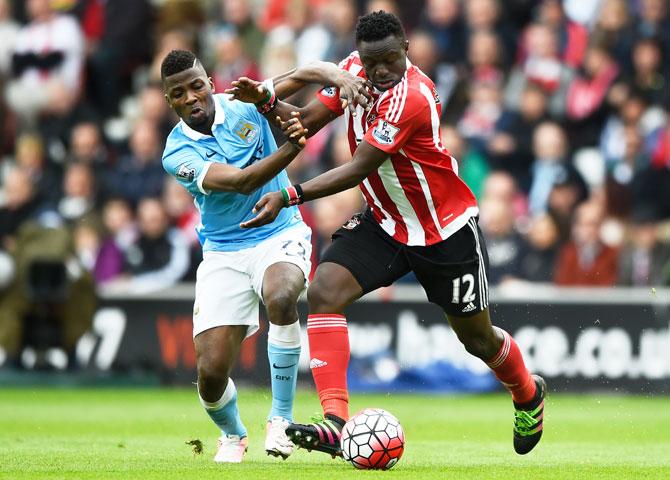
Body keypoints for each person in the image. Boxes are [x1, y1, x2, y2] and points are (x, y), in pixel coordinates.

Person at [227, 10, 546, 458]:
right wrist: (266, 100)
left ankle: (527, 393)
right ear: (359, 56)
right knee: (323, 292)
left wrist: (290, 195)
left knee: (478, 339)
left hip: (444, 231)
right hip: (386, 222)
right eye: (372, 61)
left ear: (407, 52)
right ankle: (336, 422)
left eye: (390, 60)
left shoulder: (412, 97)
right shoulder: (354, 72)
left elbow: (358, 167)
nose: (380, 71)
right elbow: (304, 123)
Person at [160, 49, 316, 464]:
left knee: (281, 296)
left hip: (279, 232)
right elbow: (244, 181)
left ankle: (281, 419)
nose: (192, 97)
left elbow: (300, 75)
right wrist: (293, 146)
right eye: (180, 93)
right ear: (169, 101)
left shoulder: (241, 102)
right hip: (224, 252)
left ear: (210, 82)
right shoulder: (176, 153)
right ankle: (233, 434)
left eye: (196, 86)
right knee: (210, 375)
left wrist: (338, 73)